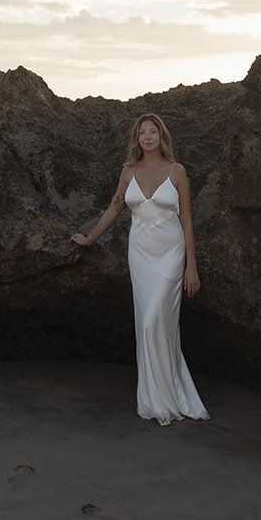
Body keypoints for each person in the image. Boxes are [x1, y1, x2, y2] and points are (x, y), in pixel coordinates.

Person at [72, 112, 208, 425]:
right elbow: (114, 208)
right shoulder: (128, 171)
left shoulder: (177, 171)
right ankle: (154, 398)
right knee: (147, 322)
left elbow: (187, 220)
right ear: (136, 138)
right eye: (142, 132)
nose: (148, 137)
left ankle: (172, 394)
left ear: (162, 137)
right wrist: (90, 238)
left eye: (153, 132)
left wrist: (192, 267)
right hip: (141, 254)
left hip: (170, 253)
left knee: (155, 320)